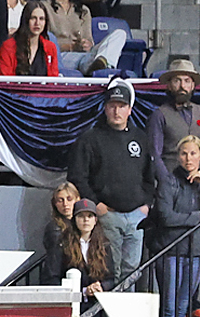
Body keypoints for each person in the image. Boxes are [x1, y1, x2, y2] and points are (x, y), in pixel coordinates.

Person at [66, 79, 157, 284]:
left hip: (137, 216)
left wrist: (146, 205)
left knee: (132, 271)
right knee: (110, 271)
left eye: (121, 106)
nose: (117, 111)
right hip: (107, 215)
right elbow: (77, 176)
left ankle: (127, 316)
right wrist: (97, 206)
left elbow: (150, 176)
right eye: (112, 106)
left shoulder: (141, 138)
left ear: (130, 109)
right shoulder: (90, 139)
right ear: (105, 108)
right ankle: (110, 316)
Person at [145, 135, 200, 317]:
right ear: (178, 156)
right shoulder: (168, 182)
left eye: (193, 153)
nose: (188, 158)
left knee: (183, 308)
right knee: (170, 307)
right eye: (183, 153)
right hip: (169, 250)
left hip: (195, 251)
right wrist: (198, 217)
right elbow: (166, 216)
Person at [147, 58, 200, 185]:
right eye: (177, 81)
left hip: (199, 183)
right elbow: (155, 155)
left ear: (193, 86)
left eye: (187, 81)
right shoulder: (159, 115)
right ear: (169, 85)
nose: (182, 86)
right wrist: (166, 182)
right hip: (170, 185)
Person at [42, 0, 123, 75]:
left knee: (120, 34)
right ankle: (100, 70)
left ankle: (100, 64)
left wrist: (87, 44)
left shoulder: (83, 10)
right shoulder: (44, 7)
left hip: (84, 57)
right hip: (60, 57)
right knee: (87, 61)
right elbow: (43, 41)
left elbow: (89, 40)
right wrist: (71, 47)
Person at [52, 199, 115, 317]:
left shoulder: (104, 245)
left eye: (90, 216)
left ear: (95, 220)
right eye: (81, 216)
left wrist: (100, 286)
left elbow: (111, 278)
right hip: (71, 309)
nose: (86, 220)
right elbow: (52, 278)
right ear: (74, 219)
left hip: (96, 309)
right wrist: (82, 291)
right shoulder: (62, 245)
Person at [0, 0, 58, 76]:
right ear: (26, 20)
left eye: (41, 19)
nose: (37, 23)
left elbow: (53, 80)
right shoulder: (8, 47)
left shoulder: (50, 48)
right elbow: (5, 80)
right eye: (33, 18)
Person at [40, 181, 80, 284]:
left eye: (69, 199)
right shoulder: (54, 228)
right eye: (60, 200)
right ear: (55, 204)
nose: (65, 204)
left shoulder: (84, 224)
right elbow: (54, 263)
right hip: (61, 278)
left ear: (77, 199)